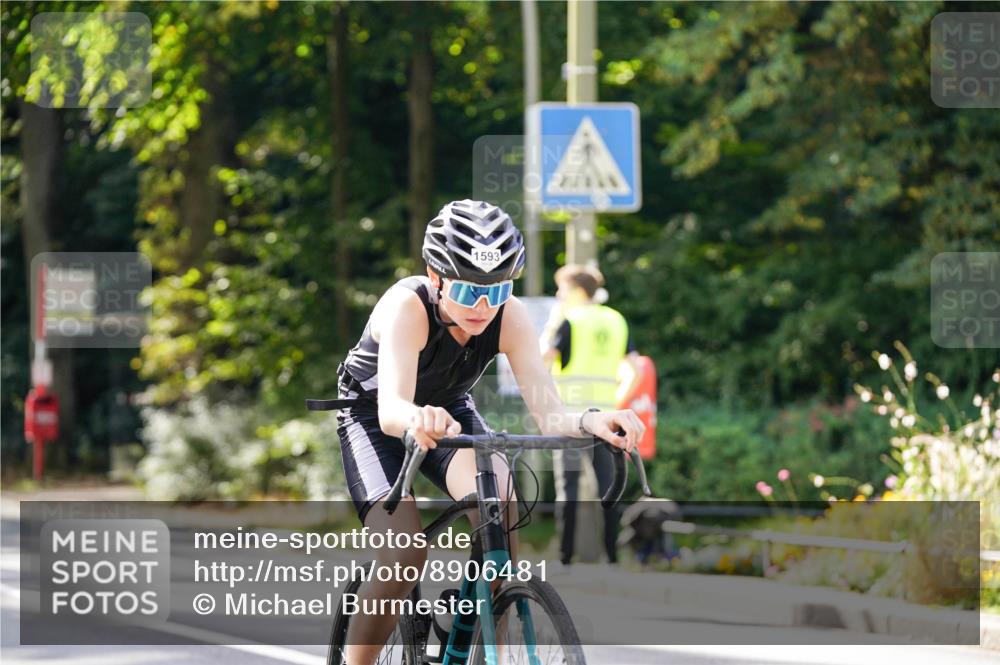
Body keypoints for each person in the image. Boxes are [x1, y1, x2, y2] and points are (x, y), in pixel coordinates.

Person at [334, 199, 645, 665]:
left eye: (497, 289)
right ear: (436, 277)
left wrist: (593, 420)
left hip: (449, 410)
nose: (483, 305)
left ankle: (480, 640)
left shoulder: (509, 314)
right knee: (404, 556)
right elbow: (393, 410)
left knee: (499, 503)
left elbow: (550, 414)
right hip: (373, 414)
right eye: (467, 289)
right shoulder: (408, 305)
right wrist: (417, 418)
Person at [541, 264, 642, 566]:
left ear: (574, 290)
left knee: (568, 490)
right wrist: (618, 401)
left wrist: (551, 323)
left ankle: (565, 559)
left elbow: (542, 359)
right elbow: (635, 368)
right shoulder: (615, 319)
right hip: (609, 419)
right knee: (609, 488)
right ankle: (611, 558)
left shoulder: (569, 319)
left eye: (562, 289)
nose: (559, 295)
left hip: (571, 418)